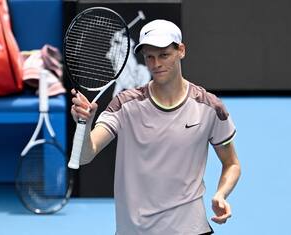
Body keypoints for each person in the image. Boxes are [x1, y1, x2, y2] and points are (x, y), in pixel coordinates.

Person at [71, 19, 241, 235]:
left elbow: (232, 163)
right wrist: (83, 125)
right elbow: (85, 155)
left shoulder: (209, 107)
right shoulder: (125, 104)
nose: (156, 64)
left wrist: (221, 194)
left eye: (164, 55)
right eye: (149, 57)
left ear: (181, 51)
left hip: (190, 229)